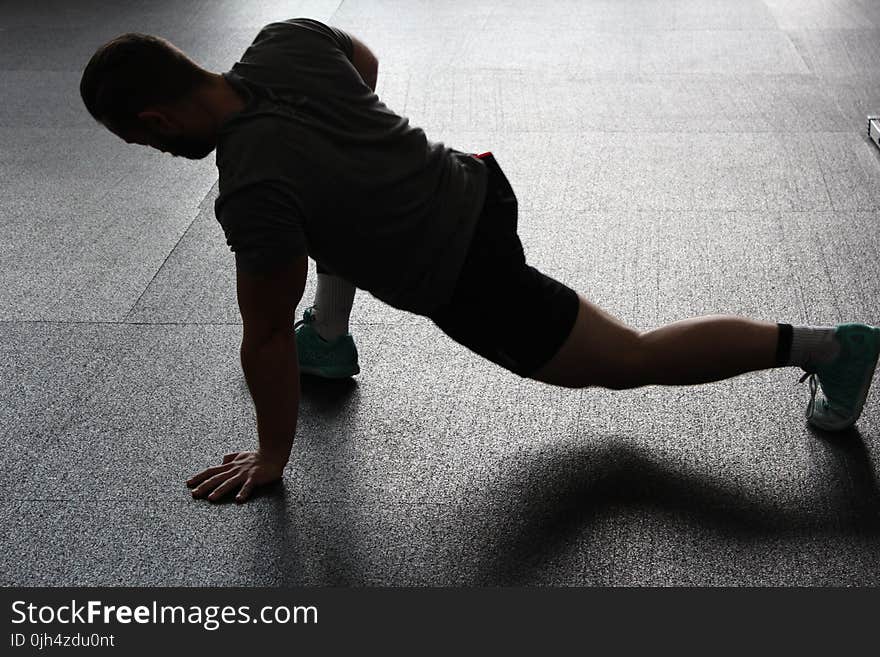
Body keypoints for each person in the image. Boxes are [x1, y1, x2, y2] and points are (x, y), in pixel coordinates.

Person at [79, 18, 880, 504]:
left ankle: (830, 349)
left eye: (140, 140)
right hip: (475, 178)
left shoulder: (251, 189)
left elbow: (260, 338)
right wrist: (356, 153)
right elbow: (365, 67)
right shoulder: (286, 41)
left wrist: (274, 454)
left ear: (153, 118)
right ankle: (329, 334)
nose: (152, 151)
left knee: (628, 360)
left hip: (467, 273)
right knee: (324, 208)